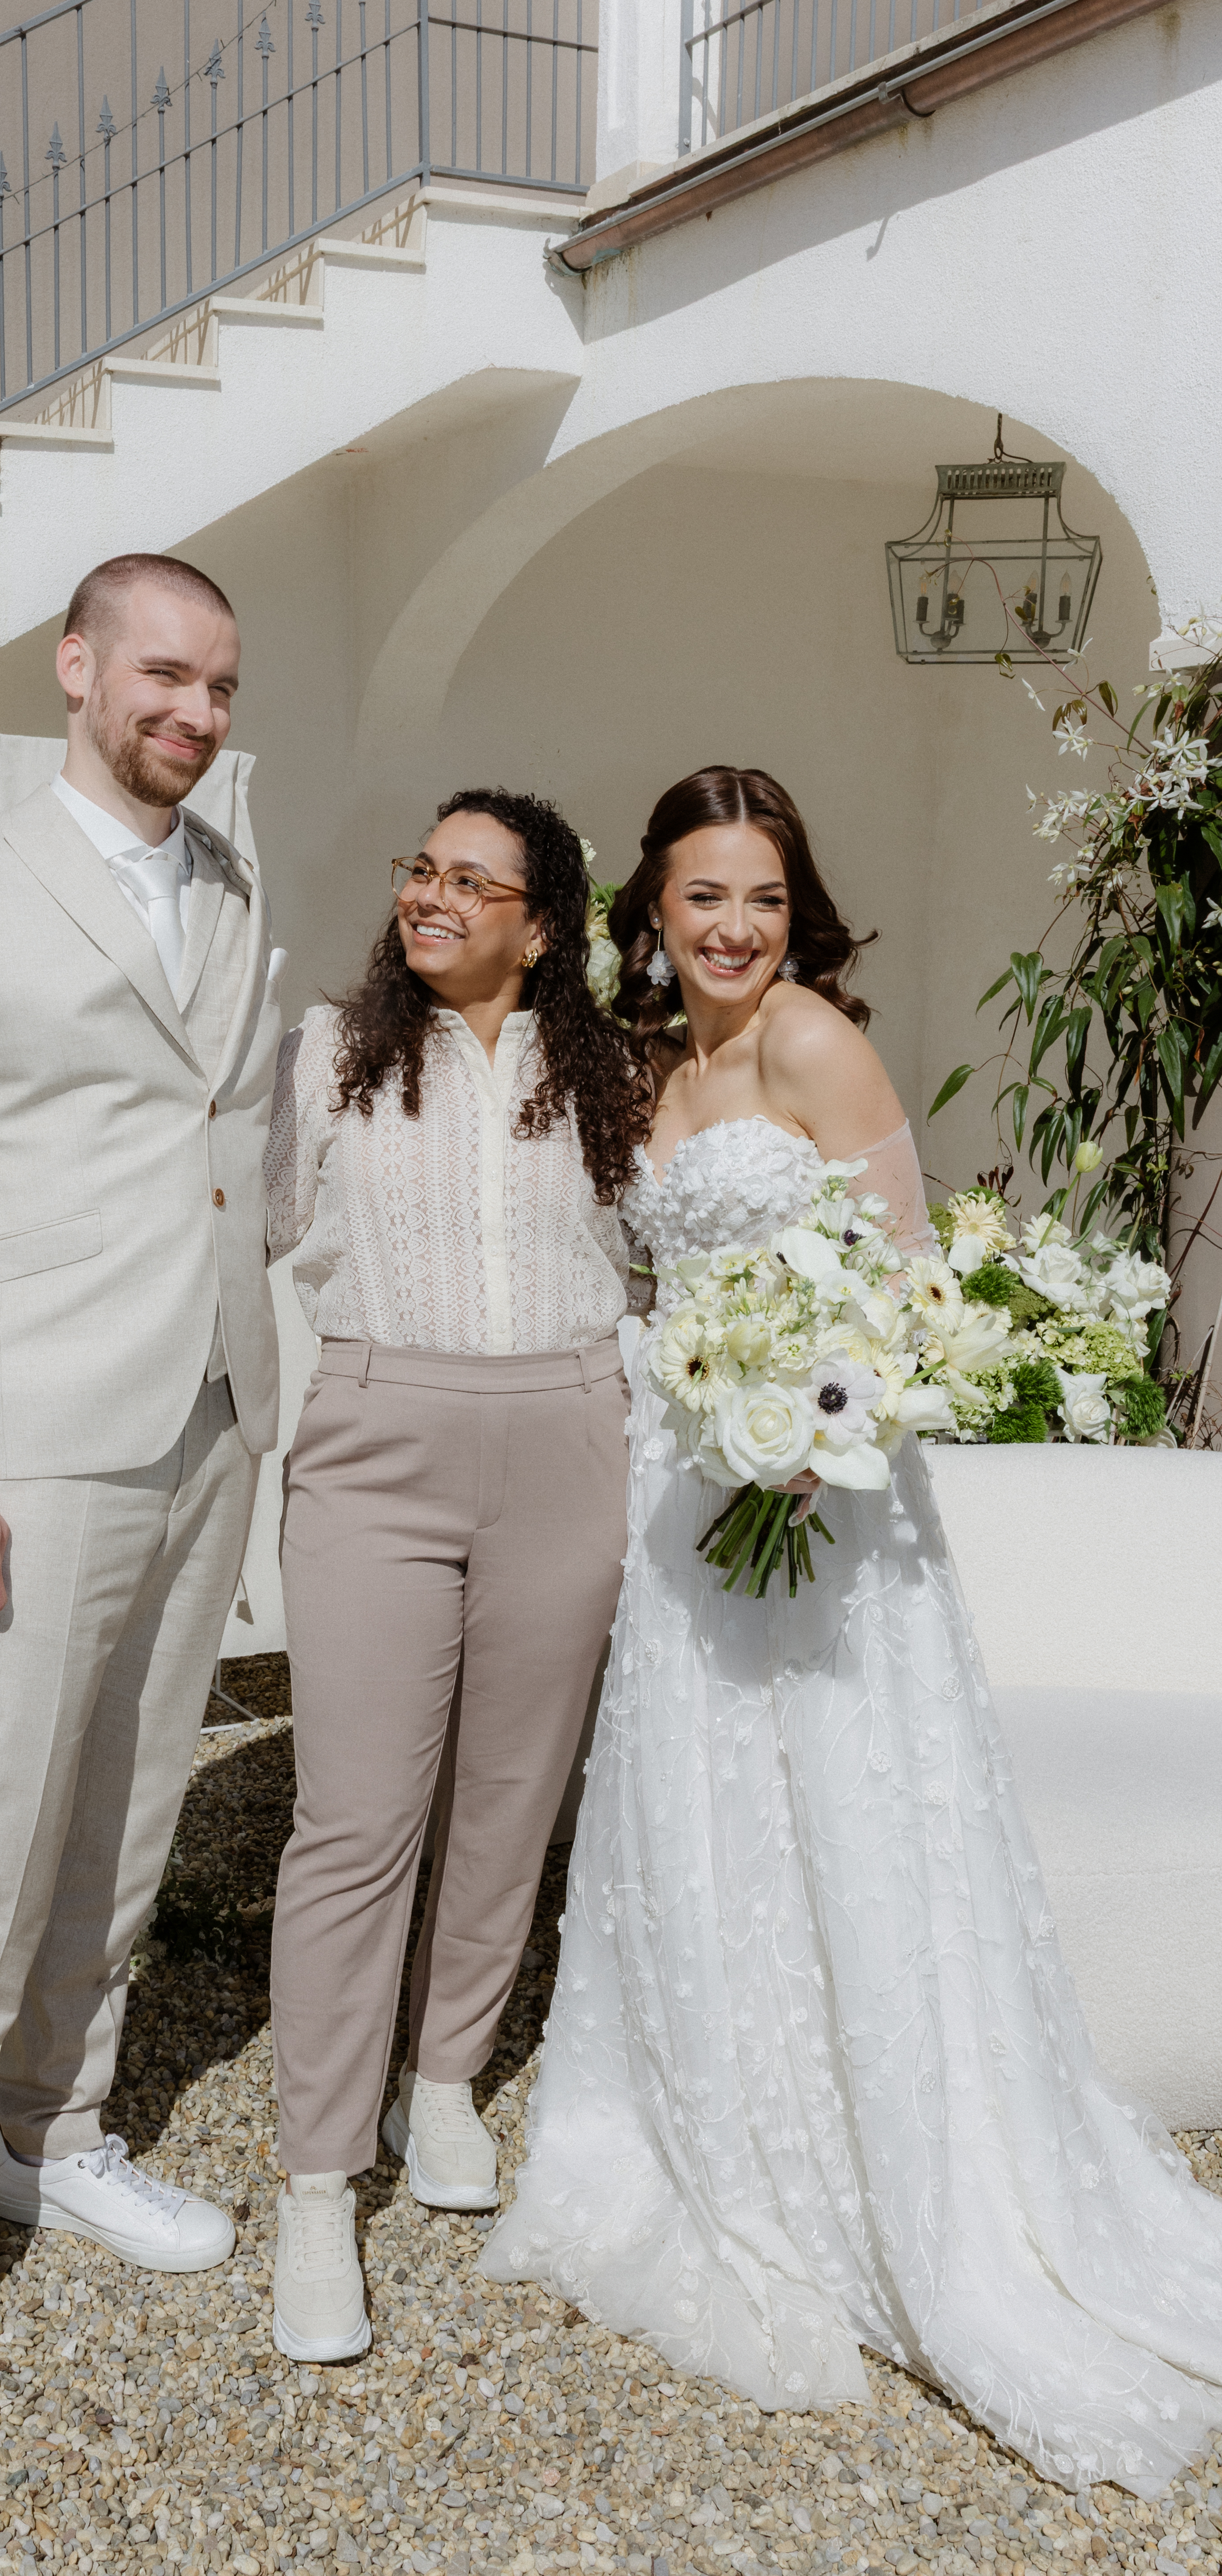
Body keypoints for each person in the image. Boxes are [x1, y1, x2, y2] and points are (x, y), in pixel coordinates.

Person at [484, 765, 1222, 2490]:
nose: (730, 927)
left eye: (757, 896)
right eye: (698, 897)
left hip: (821, 1497)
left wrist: (815, 1434)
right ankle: (722, 2134)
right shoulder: (648, 1066)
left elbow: (902, 1279)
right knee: (698, 1814)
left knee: (838, 1800)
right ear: (647, 914)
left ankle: (893, 2164)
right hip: (685, 1493)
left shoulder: (813, 1043)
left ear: (789, 905)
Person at [0, 553, 282, 2470]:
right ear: (77, 669)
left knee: (130, 1812)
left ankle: (54, 2135)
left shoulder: (236, 885)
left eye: (221, 686)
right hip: (31, 1444)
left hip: (205, 1419)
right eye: (165, 676)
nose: (195, 712)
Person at [265, 789, 644, 2363]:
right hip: (378, 1439)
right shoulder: (327, 1047)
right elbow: (264, 1226)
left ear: (542, 925)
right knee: (355, 1818)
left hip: (567, 1438)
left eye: (470, 880)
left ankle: (442, 2088)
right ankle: (310, 2191)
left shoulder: (615, 1072)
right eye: (418, 866)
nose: (430, 894)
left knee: (509, 1797)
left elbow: (665, 1257)